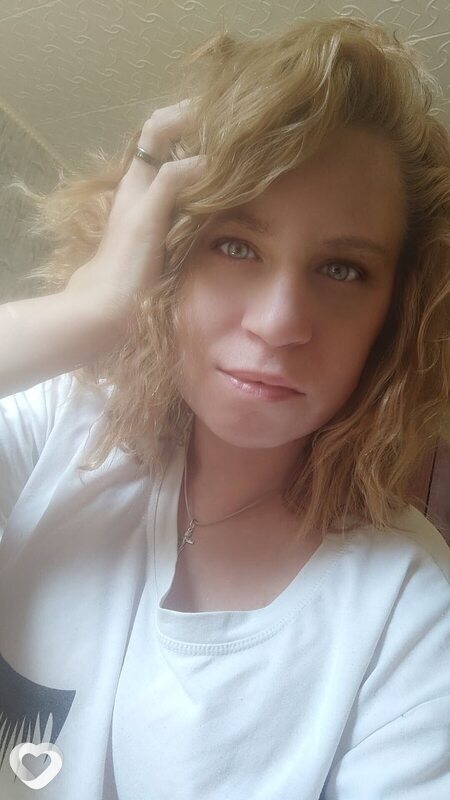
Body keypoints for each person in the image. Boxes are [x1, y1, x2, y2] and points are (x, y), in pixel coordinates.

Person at [0, 15, 449, 800]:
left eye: (342, 269)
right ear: (168, 259)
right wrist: (87, 312)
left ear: (395, 315)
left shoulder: (411, 612)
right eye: (236, 246)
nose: (278, 323)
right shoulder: (59, 427)